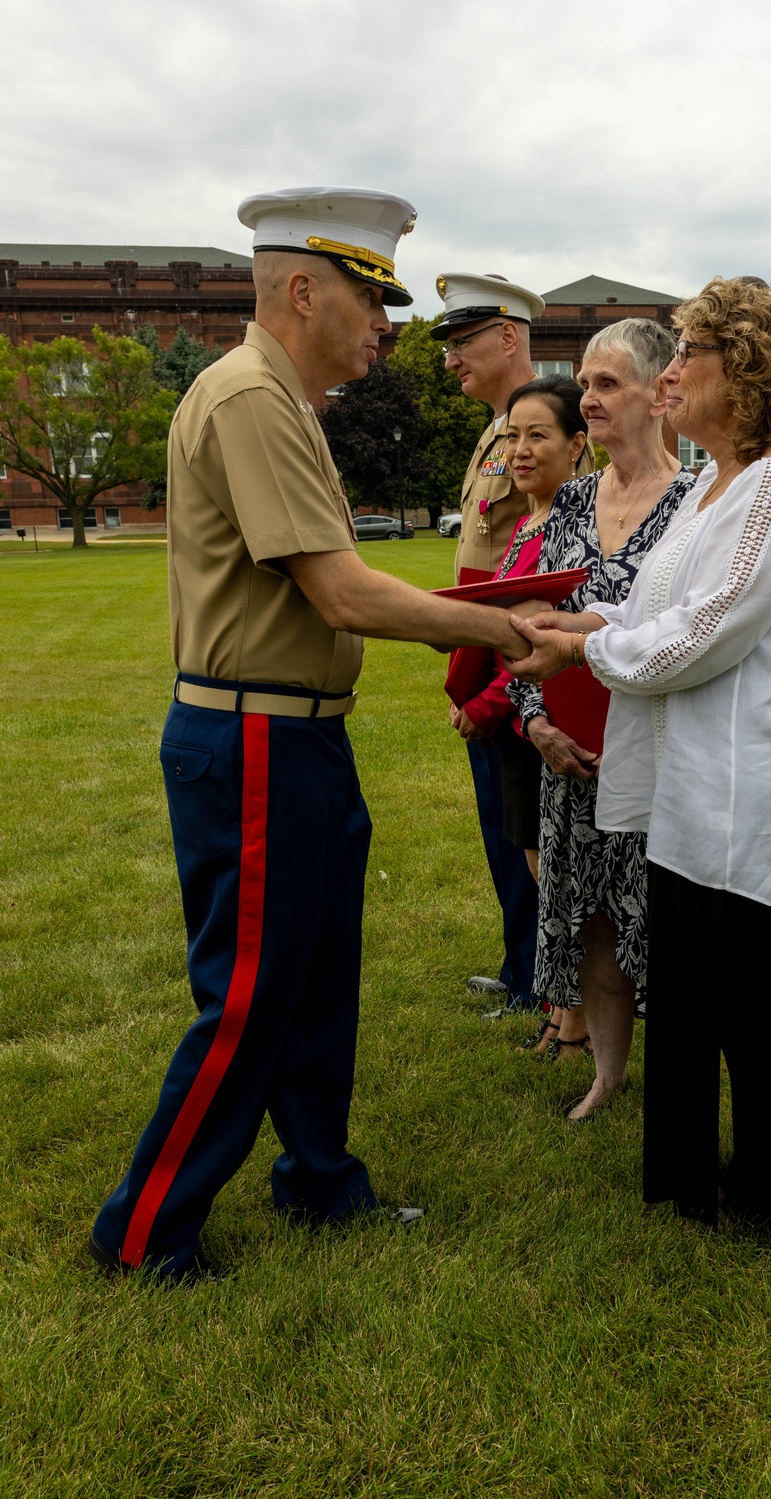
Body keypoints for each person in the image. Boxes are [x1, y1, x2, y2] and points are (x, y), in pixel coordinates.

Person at [89, 187, 534, 1281]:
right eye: (368, 295)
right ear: (301, 289)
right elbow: (340, 593)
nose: (386, 322)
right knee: (247, 996)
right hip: (253, 744)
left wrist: (502, 606)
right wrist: (502, 627)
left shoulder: (283, 400)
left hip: (297, 739)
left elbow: (346, 583)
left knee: (317, 981)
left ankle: (320, 1183)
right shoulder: (250, 396)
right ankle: (143, 1230)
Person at [508, 277, 771, 1236]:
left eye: (689, 354)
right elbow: (658, 612)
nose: (673, 375)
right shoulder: (711, 482)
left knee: (767, 1016)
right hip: (693, 794)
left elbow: (705, 635)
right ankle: (686, 1181)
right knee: (696, 1003)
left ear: (742, 371)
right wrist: (585, 619)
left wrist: (583, 648)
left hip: (763, 791)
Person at [508, 319, 696, 1107]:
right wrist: (533, 722)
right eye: (583, 382)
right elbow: (530, 618)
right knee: (590, 923)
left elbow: (693, 631)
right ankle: (608, 1075)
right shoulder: (573, 497)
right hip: (571, 759)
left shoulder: (698, 503)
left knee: (669, 927)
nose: (587, 397)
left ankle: (683, 1082)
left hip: (659, 756)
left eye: (606, 383)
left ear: (660, 394)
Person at [432, 274, 593, 1016]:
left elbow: (553, 582)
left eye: (461, 342)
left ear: (507, 336)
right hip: (488, 668)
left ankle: (542, 984)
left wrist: (499, 694)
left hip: (524, 672)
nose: (450, 360)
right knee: (506, 832)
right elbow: (484, 568)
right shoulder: (494, 432)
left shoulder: (556, 427)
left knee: (532, 835)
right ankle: (520, 965)